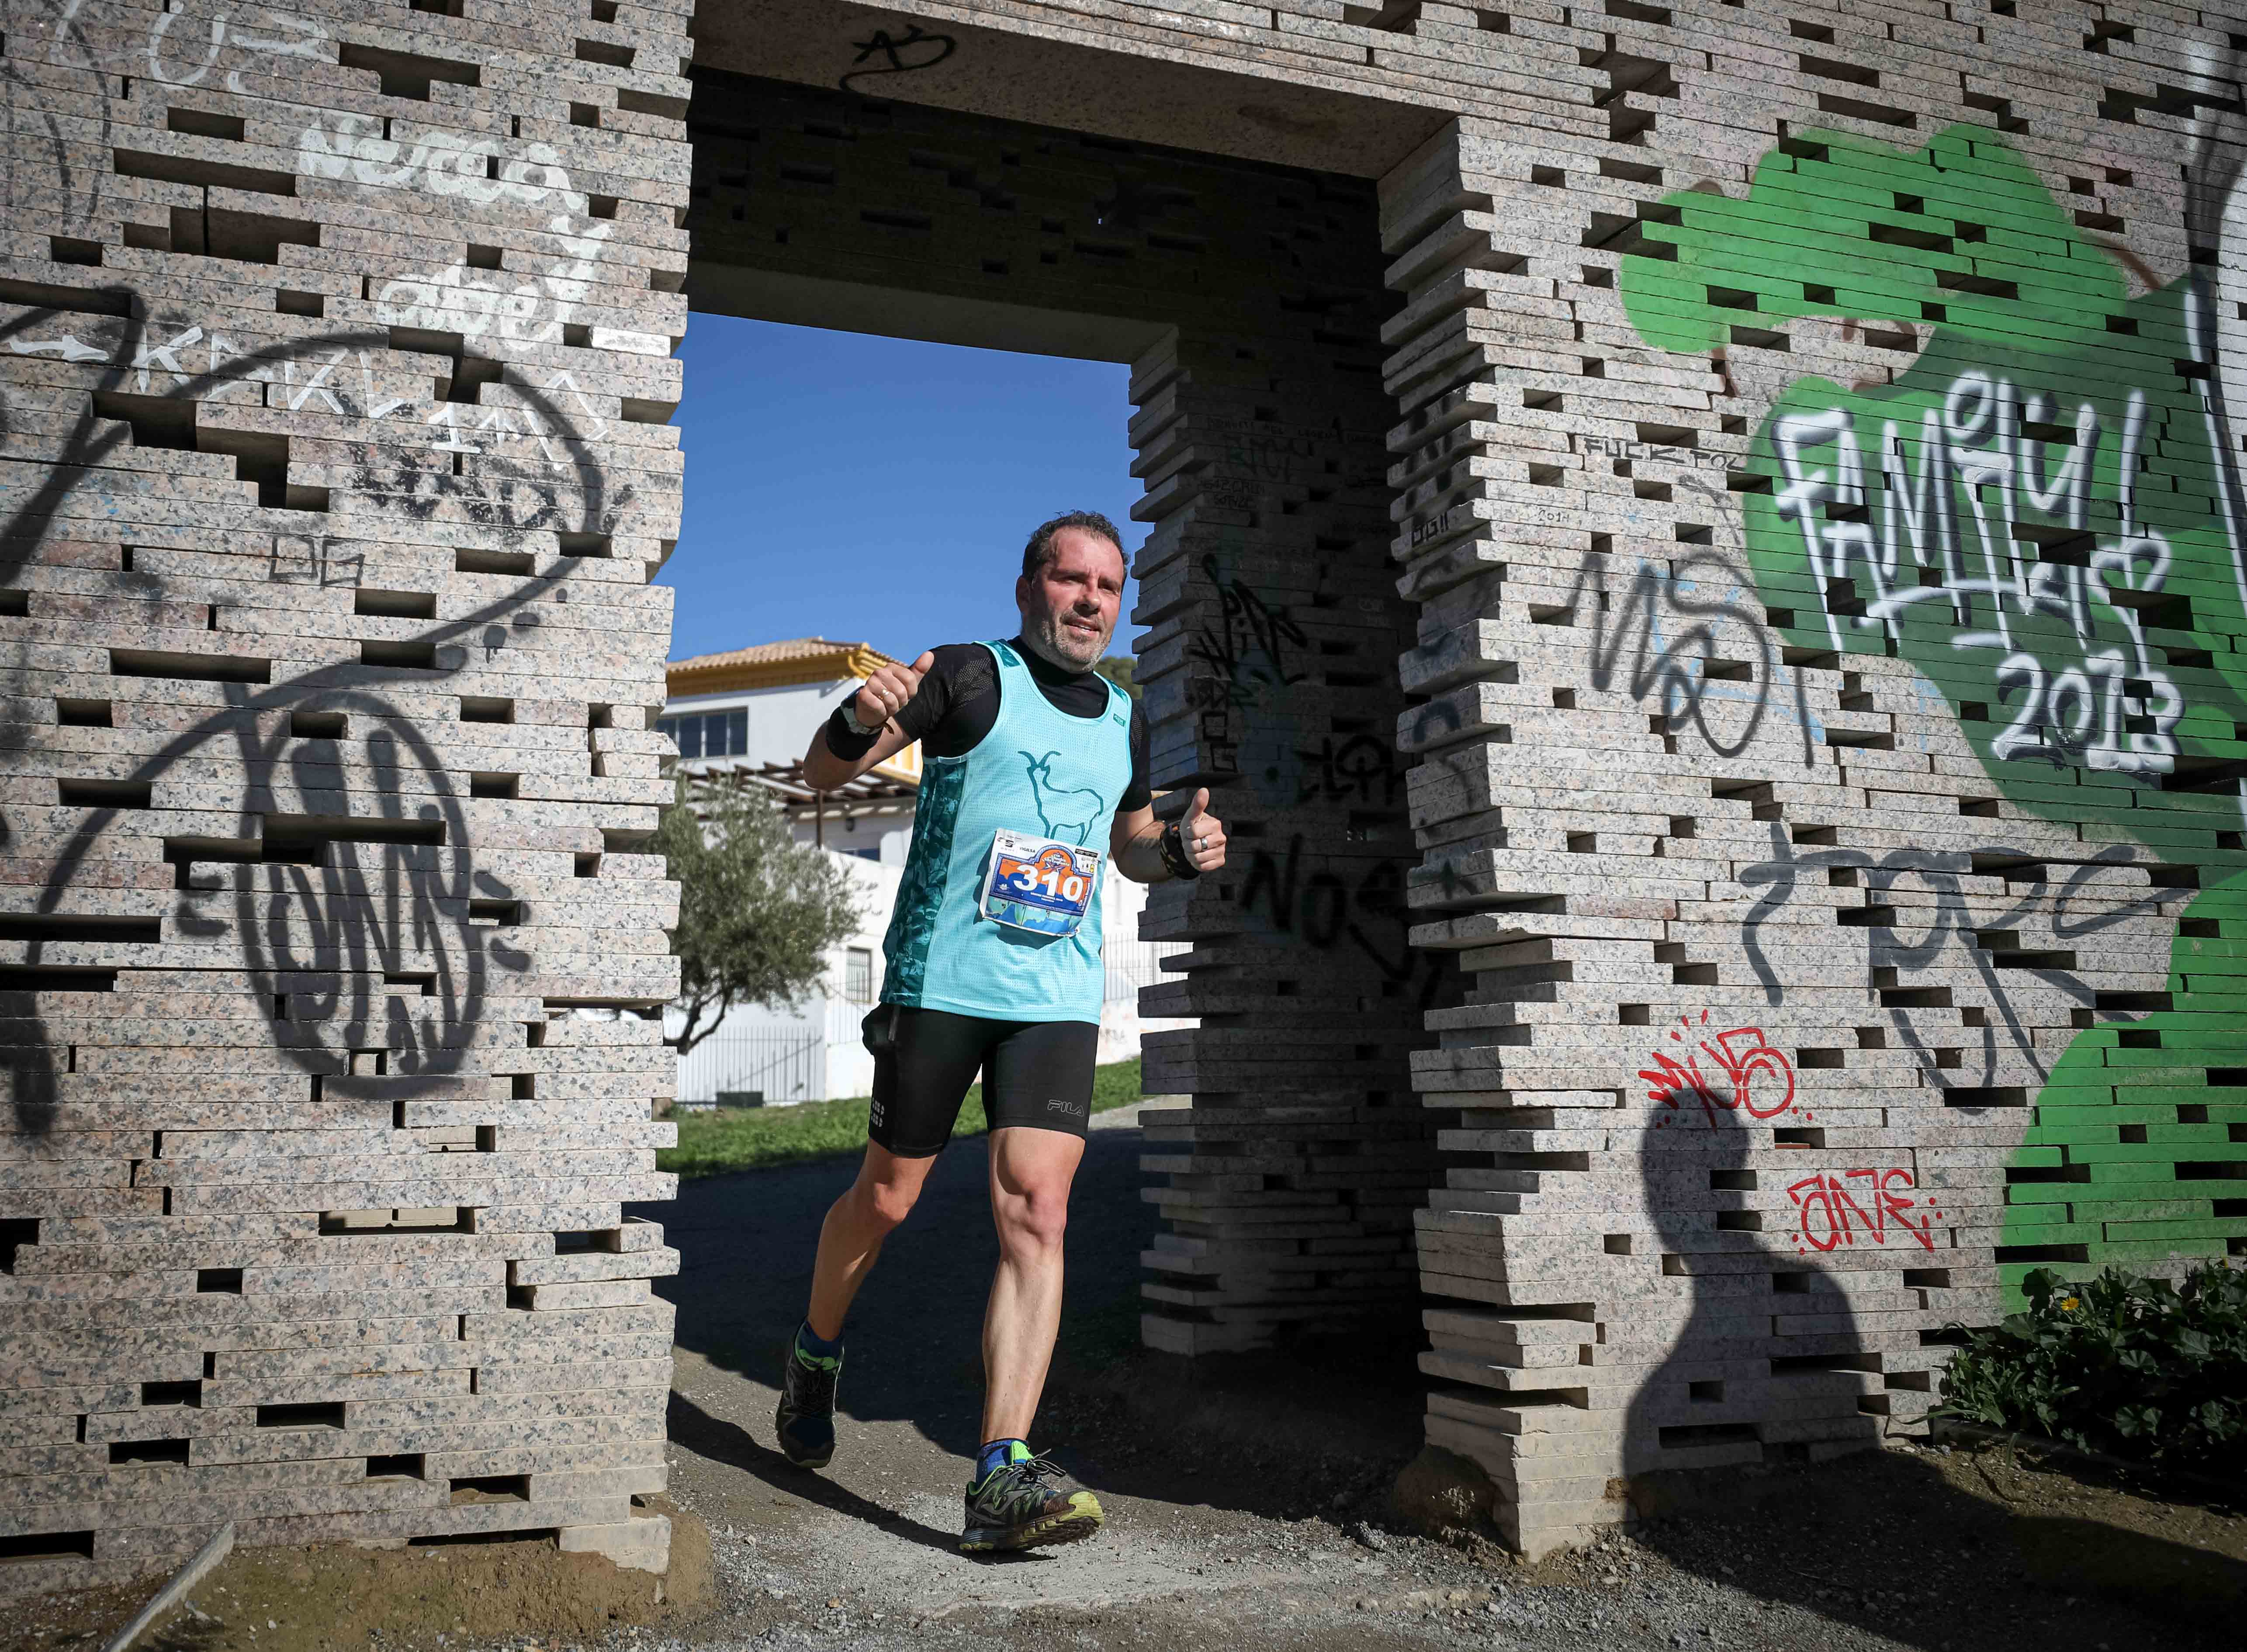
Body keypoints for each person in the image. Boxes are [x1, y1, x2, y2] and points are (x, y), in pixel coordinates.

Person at [775, 510, 1227, 1554]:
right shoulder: (968, 676)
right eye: (1072, 580)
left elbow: (1129, 845)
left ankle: (999, 1472)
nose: (1090, 602)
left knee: (1039, 1210)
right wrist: (857, 714)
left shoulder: (1125, 713)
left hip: (1055, 996)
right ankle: (815, 1350)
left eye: (1108, 587)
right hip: (943, 982)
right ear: (1029, 587)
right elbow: (822, 775)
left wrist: (1181, 850)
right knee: (887, 1198)